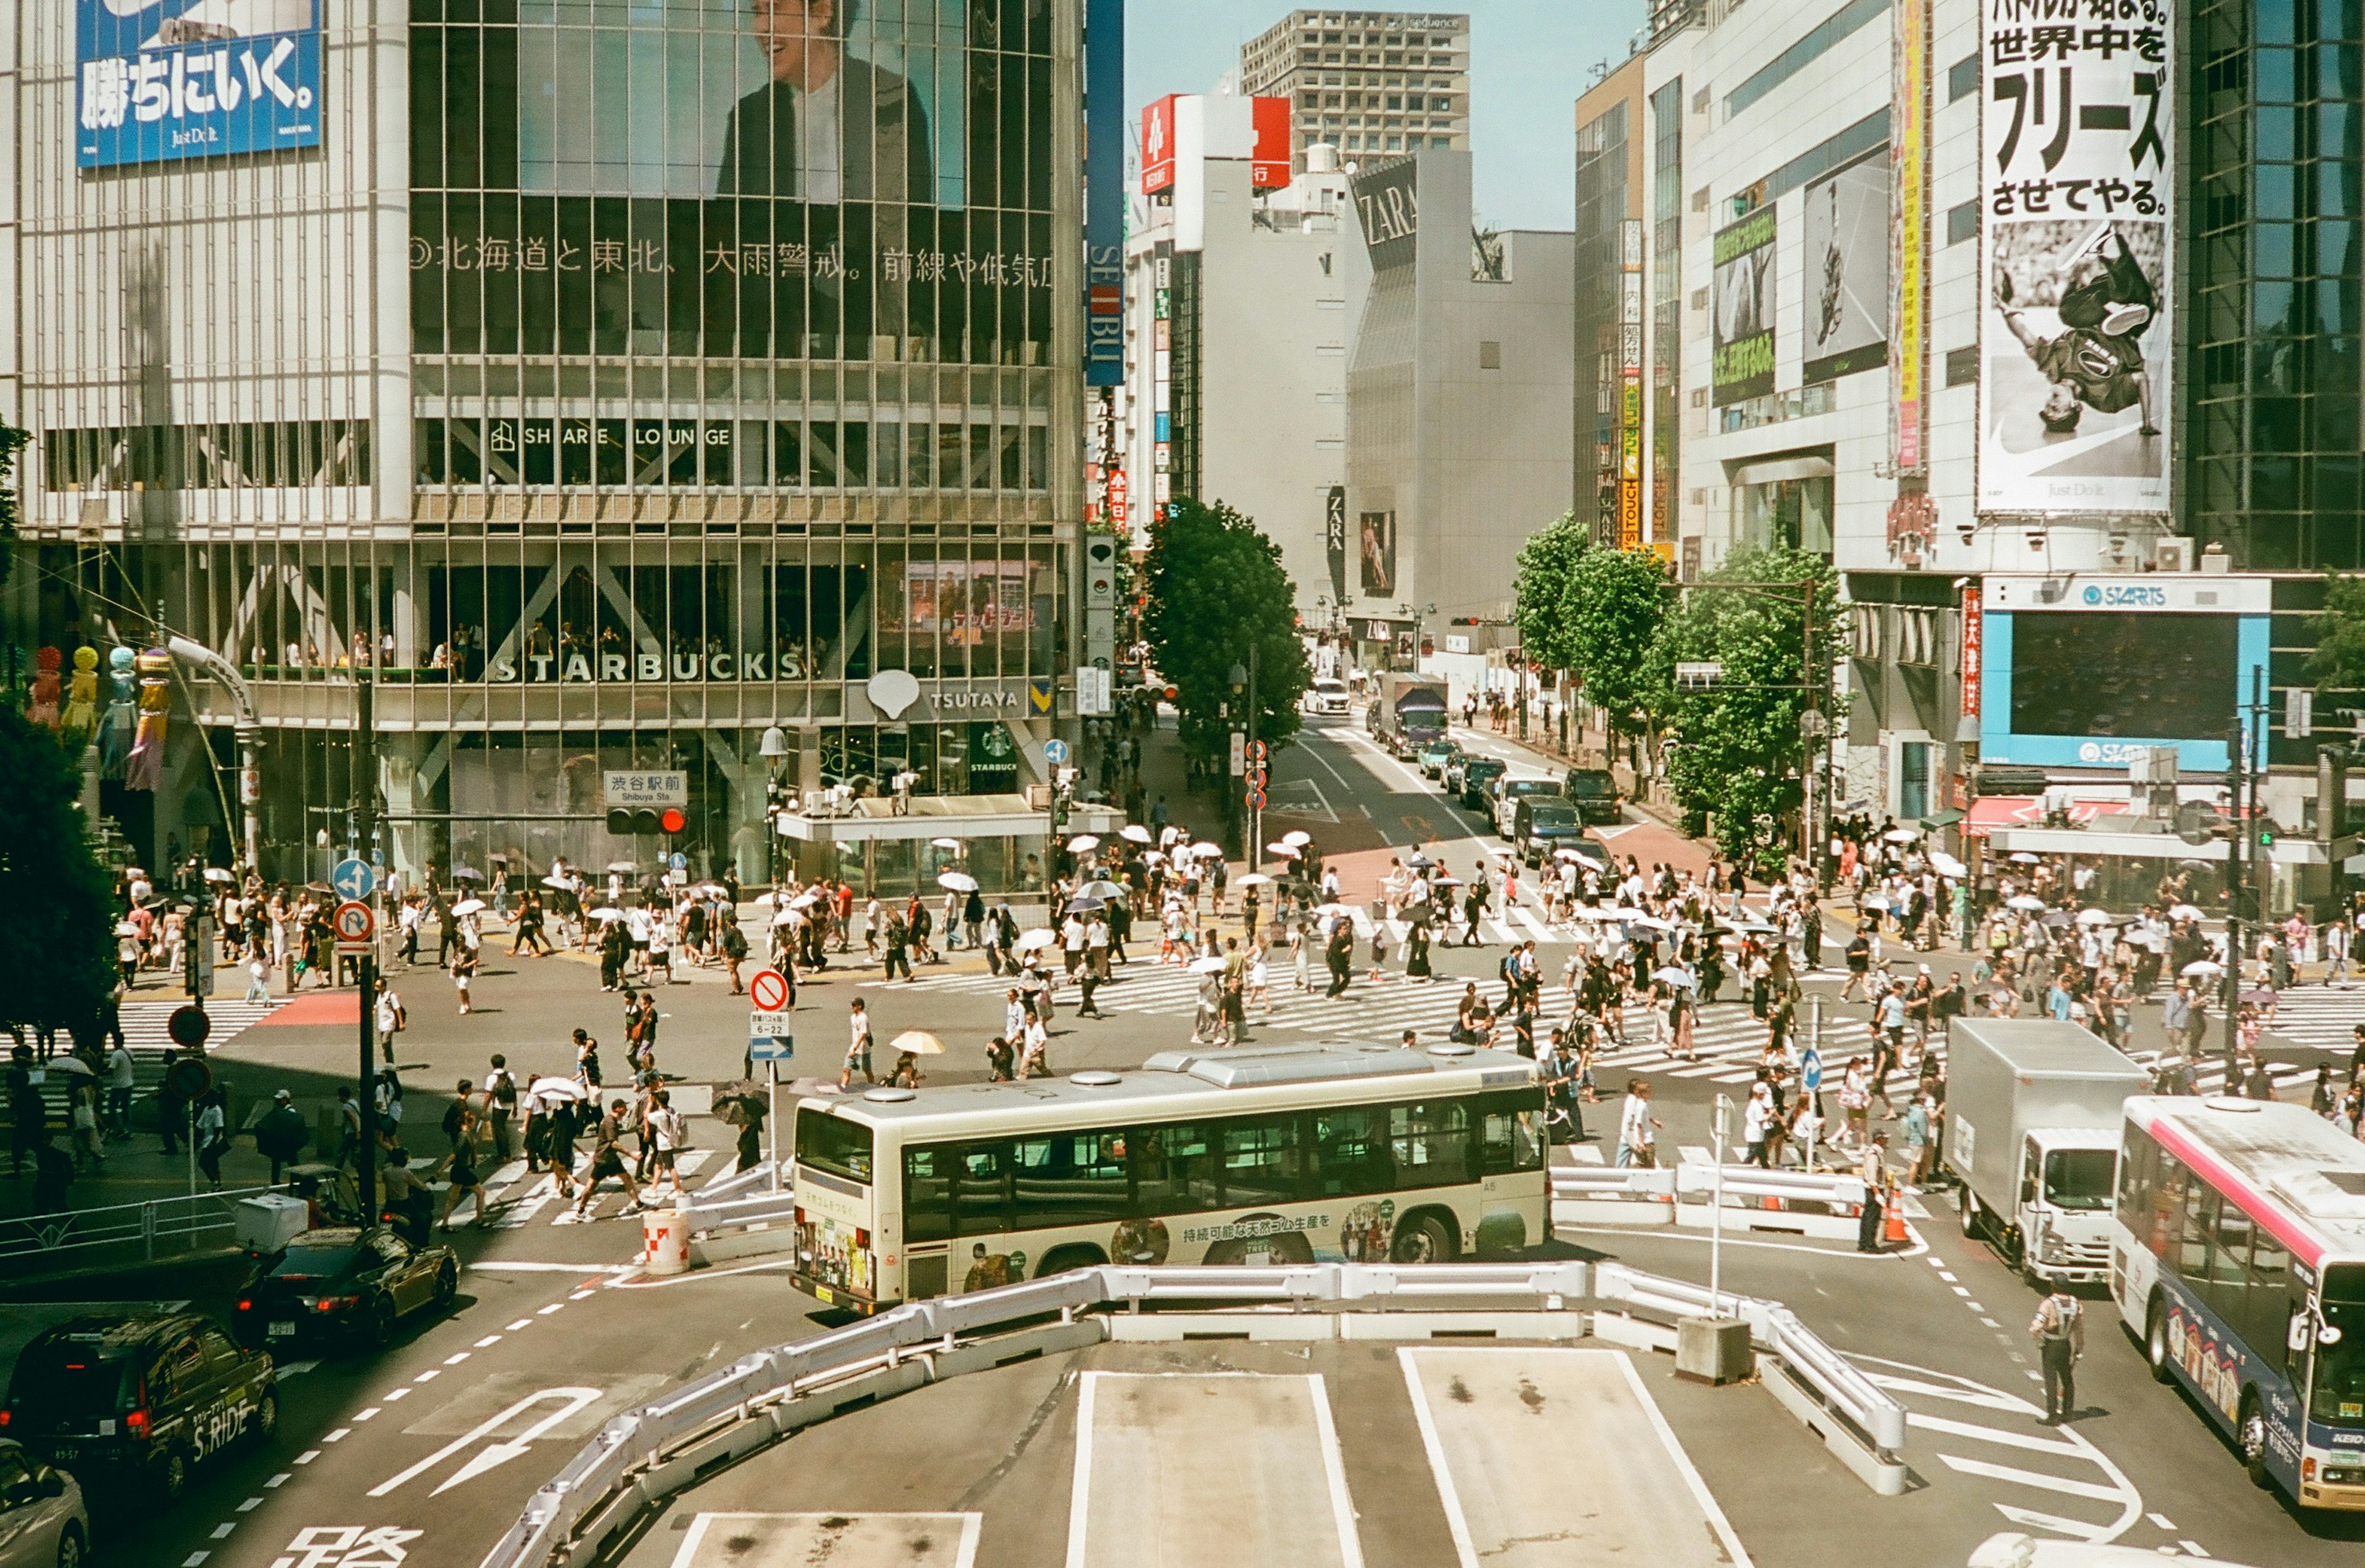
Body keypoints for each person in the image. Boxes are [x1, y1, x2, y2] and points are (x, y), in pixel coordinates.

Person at [716, 0, 936, 202]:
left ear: (822, 12)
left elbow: (911, 218)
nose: (761, 27)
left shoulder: (890, 97)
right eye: (758, 12)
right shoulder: (750, 115)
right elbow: (728, 225)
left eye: (774, 8)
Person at [572, 1098, 644, 1219]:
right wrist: (631, 1154)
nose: (626, 1110)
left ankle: (639, 1203)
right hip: (605, 1159)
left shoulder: (609, 1120)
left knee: (627, 1179)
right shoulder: (610, 1122)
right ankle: (580, 1211)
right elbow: (613, 1143)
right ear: (618, 1109)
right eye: (624, 1107)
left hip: (610, 1158)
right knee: (591, 1186)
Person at [2031, 1285, 2085, 1424]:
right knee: (2067, 1377)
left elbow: (2038, 1324)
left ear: (2053, 1286)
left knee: (2051, 1380)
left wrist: (2035, 1334)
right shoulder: (2075, 1303)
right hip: (2065, 1344)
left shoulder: (2049, 1303)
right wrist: (2079, 1346)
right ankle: (2068, 1412)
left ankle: (2053, 1415)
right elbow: (2078, 1328)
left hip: (2050, 1344)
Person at [254, 1088, 309, 1184]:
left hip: (287, 1142)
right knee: (282, 1163)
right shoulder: (280, 1111)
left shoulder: (291, 1112)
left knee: (291, 1163)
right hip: (282, 1142)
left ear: (285, 1100)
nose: (277, 1102)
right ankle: (278, 1182)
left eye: (279, 1100)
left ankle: (293, 1182)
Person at [1616, 1078, 1660, 1169]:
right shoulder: (1634, 1101)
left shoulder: (1631, 1099)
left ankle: (1620, 1176)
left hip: (1626, 1134)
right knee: (1645, 1161)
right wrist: (1639, 1141)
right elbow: (1636, 1119)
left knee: (1622, 1160)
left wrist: (1653, 1121)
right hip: (1631, 1135)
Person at [840, 998, 875, 1089]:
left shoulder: (863, 1018)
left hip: (863, 1050)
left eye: (854, 1005)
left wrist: (855, 1048)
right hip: (854, 1048)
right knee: (846, 1069)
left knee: (867, 1071)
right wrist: (853, 1049)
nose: (852, 1007)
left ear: (860, 1006)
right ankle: (843, 1087)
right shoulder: (853, 1017)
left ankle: (872, 1087)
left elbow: (863, 1034)